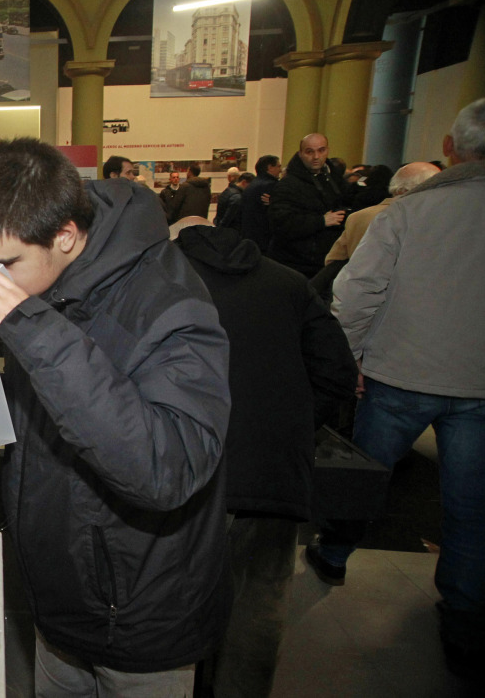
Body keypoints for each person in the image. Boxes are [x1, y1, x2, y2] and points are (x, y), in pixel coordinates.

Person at [0, 138, 231, 695]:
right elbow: (47, 434)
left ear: (65, 235)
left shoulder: (170, 305)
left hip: (140, 616)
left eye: (5, 265)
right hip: (58, 600)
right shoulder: (39, 288)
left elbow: (167, 470)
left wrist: (33, 329)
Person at [318, 97, 485, 679]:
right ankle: (465, 612)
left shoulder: (407, 214)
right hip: (481, 384)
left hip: (400, 372)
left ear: (450, 147)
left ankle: (334, 554)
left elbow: (357, 293)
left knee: (367, 478)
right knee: (470, 504)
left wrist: (352, 356)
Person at [173, 220, 356, 698]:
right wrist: (288, 427)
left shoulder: (157, 278)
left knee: (175, 608)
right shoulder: (289, 282)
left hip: (184, 475)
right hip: (272, 479)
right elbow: (337, 373)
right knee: (256, 613)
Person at [310, 161, 441, 303]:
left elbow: (334, 259)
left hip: (360, 297)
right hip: (412, 299)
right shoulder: (433, 222)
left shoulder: (358, 218)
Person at [267, 133, 352, 277]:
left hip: (327, 261)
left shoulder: (334, 180)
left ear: (328, 151)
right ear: (301, 154)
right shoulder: (288, 185)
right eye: (310, 151)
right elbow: (280, 223)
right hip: (296, 264)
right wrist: (321, 221)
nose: (316, 156)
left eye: (321, 150)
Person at [235, 154, 282, 251]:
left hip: (250, 237)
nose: (280, 170)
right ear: (270, 167)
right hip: (264, 238)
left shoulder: (252, 185)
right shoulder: (271, 185)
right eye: (278, 166)